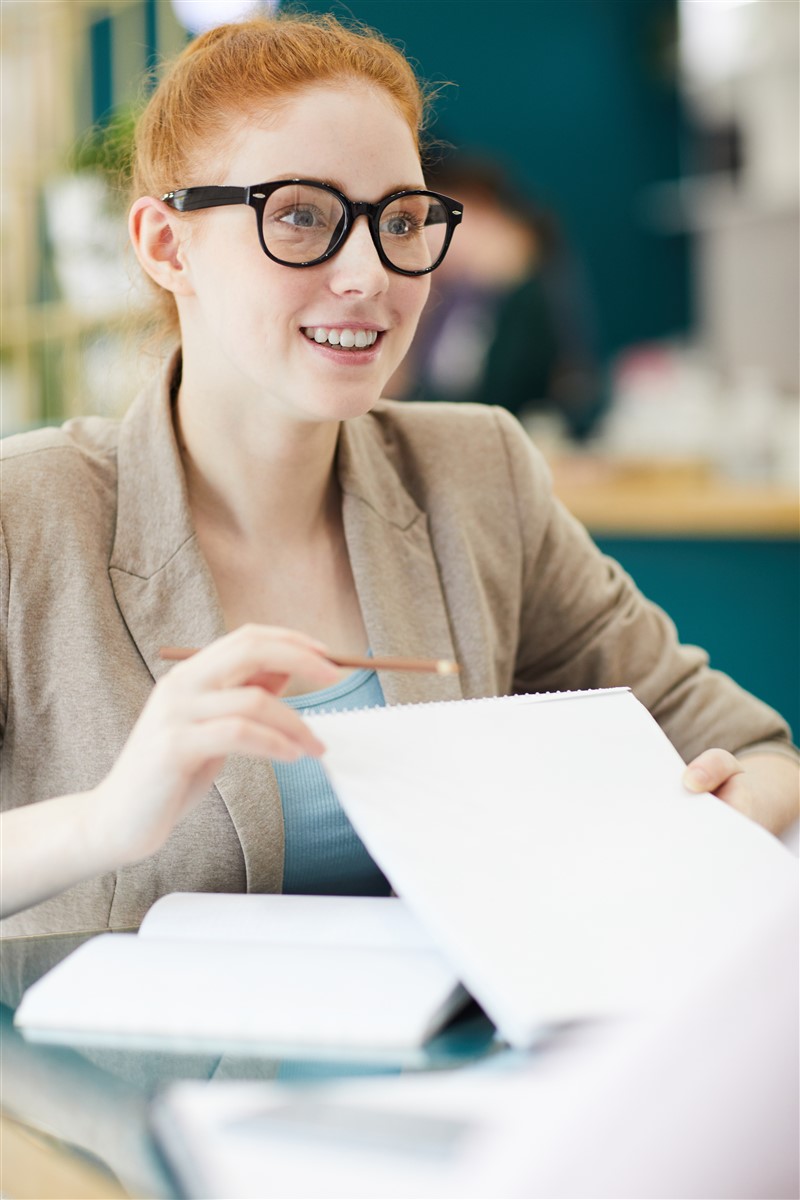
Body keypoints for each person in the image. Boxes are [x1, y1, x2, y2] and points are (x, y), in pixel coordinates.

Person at [0, 14, 797, 933]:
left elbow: (755, 746)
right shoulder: (26, 517)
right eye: (300, 214)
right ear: (165, 245)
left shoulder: (476, 474)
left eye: (402, 219)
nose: (370, 272)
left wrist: (728, 813)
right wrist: (104, 822)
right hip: (118, 1078)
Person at [393, 153, 605, 440]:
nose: (428, 239)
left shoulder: (525, 291)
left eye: (431, 221)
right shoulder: (454, 294)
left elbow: (506, 391)